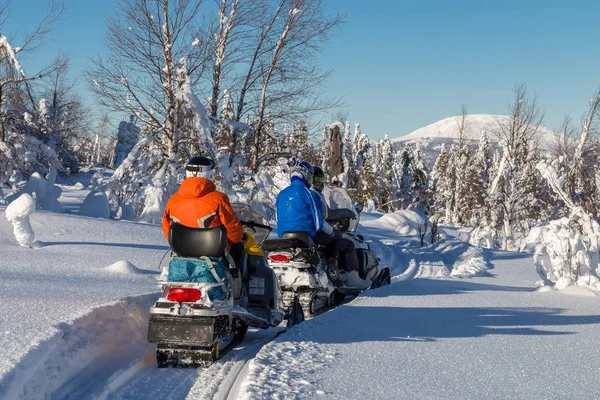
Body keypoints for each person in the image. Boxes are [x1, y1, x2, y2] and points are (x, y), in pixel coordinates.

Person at [276, 161, 368, 288]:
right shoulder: (310, 194)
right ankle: (337, 271)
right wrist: (333, 233)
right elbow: (319, 222)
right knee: (342, 242)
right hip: (306, 234)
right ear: (306, 175)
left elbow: (277, 218)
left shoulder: (281, 194)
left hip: (285, 235)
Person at [162, 156, 244, 252]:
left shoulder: (173, 199)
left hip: (181, 251)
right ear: (209, 174)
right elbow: (233, 230)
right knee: (240, 252)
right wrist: (235, 241)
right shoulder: (219, 199)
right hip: (214, 252)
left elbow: (167, 228)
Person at [311, 166, 371, 289]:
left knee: (334, 237)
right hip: (315, 230)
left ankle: (334, 267)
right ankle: (346, 274)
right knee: (345, 242)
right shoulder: (314, 195)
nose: (318, 181)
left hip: (305, 231)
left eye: (320, 178)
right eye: (315, 179)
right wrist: (345, 212)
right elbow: (325, 215)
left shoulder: (308, 194)